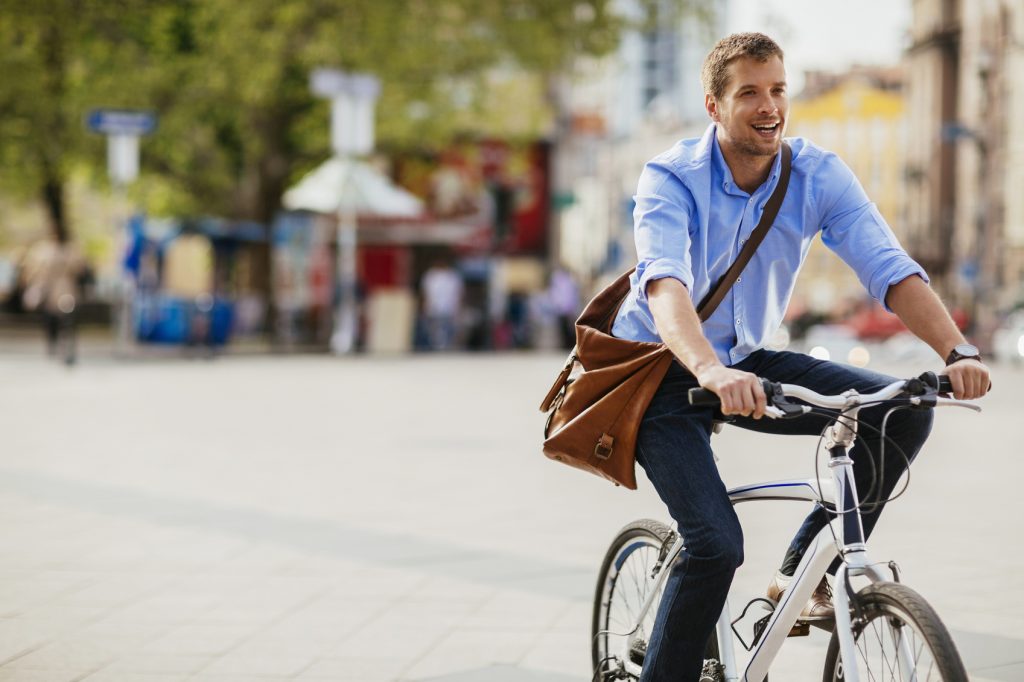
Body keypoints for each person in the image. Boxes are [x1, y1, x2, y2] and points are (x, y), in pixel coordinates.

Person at [610, 33, 991, 681]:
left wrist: (956, 349)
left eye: (778, 89)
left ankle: (798, 578)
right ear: (714, 106)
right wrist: (708, 369)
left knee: (899, 412)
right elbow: (664, 284)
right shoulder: (670, 177)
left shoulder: (816, 175)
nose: (769, 106)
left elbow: (890, 271)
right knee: (715, 545)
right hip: (660, 372)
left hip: (749, 361)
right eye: (750, 93)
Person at [20, 237, 87, 365]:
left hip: (65, 291)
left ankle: (65, 347)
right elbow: (32, 271)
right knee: (52, 318)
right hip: (51, 292)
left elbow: (80, 270)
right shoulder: (42, 251)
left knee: (67, 319)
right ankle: (55, 343)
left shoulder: (70, 251)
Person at [420, 258, 464, 351]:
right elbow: (426, 293)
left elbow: (458, 293)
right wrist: (425, 306)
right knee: (435, 330)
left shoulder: (452, 276)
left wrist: (458, 307)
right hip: (435, 307)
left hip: (448, 308)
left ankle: (445, 346)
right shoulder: (431, 275)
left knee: (447, 330)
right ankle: (438, 346)